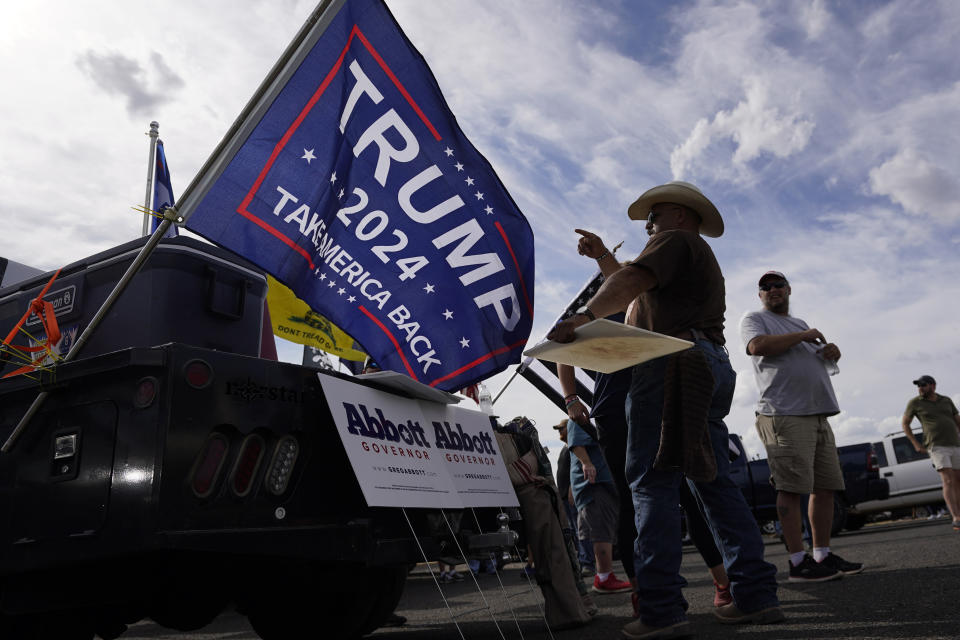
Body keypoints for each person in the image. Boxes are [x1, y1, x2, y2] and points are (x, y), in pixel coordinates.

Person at [549, 181, 782, 639]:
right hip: (707, 361)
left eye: (652, 218)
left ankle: (660, 610)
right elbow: (637, 294)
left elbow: (632, 282)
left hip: (669, 364)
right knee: (712, 481)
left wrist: (583, 318)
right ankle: (755, 595)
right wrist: (602, 259)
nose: (647, 226)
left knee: (650, 483)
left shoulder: (673, 240)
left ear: (678, 215)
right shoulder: (688, 253)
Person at [560, 225, 732, 612]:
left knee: (689, 491)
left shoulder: (646, 303)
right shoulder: (595, 311)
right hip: (613, 408)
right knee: (630, 496)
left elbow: (627, 280)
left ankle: (722, 583)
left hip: (659, 399)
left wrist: (604, 253)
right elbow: (560, 349)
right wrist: (571, 399)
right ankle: (646, 591)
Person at [740, 270, 863, 582]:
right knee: (791, 488)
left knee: (825, 488)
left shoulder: (800, 324)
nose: (772, 290)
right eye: (765, 287)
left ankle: (821, 555)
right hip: (783, 414)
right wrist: (804, 336)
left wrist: (831, 353)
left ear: (789, 289)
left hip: (817, 413)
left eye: (778, 284)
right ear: (760, 295)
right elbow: (757, 347)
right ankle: (797, 562)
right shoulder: (754, 318)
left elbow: (816, 361)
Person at [561, 418, 632, 594]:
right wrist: (587, 463)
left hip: (601, 484)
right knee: (600, 531)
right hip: (594, 484)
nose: (559, 432)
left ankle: (605, 575)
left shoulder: (587, 423)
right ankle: (604, 577)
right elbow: (576, 444)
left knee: (604, 530)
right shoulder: (576, 421)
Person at [901, 375, 960, 530]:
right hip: (936, 446)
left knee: (957, 480)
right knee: (947, 480)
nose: (920, 388)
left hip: (954, 444)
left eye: (923, 385)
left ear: (933, 386)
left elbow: (957, 419)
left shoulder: (946, 400)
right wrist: (915, 443)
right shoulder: (915, 403)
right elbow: (905, 424)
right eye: (918, 385)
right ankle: (956, 517)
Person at [554, 420, 595, 576]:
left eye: (561, 429)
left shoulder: (575, 447)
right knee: (573, 530)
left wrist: (572, 489)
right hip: (565, 496)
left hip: (573, 495)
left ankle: (588, 564)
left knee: (581, 529)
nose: (559, 432)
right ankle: (582, 560)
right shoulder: (566, 448)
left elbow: (577, 469)